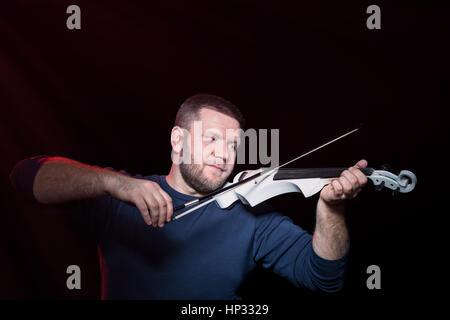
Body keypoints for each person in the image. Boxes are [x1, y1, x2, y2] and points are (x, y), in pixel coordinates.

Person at [9, 94, 368, 299]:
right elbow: (26, 176)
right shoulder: (122, 197)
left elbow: (325, 278)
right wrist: (112, 184)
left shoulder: (252, 217)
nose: (223, 154)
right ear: (177, 141)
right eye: (211, 139)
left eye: (232, 145)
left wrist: (330, 207)